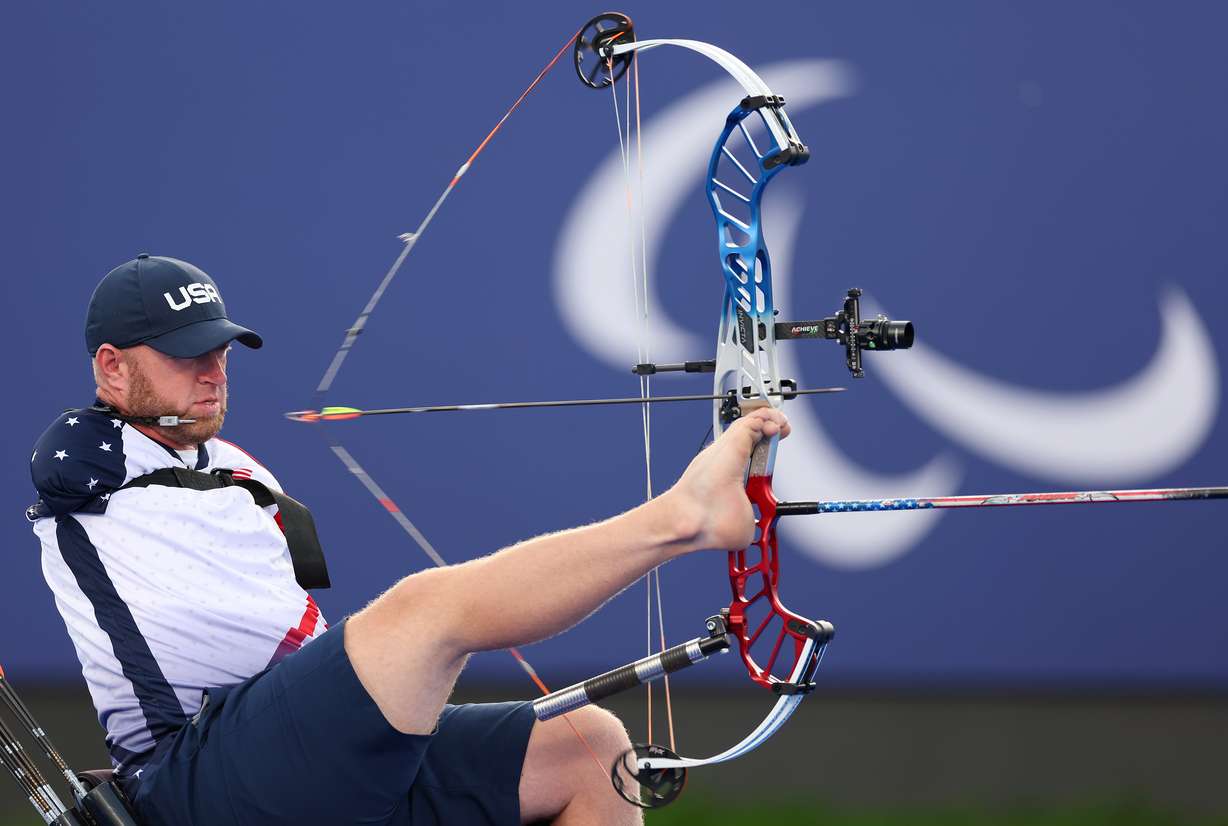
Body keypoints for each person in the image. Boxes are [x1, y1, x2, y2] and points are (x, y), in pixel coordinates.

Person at [28, 254, 791, 826]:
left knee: (590, 751)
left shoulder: (231, 465)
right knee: (424, 611)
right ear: (112, 368)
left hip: (300, 753)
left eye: (219, 350)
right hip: (194, 774)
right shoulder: (89, 462)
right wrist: (97, 420)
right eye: (185, 354)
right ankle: (685, 517)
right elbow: (62, 463)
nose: (212, 371)